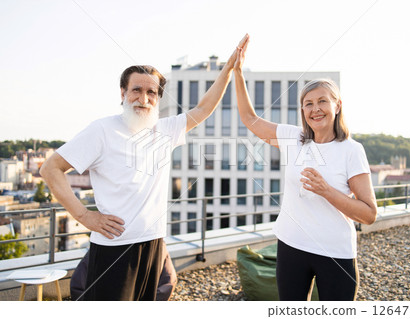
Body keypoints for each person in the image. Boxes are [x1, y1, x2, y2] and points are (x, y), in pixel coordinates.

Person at [40, 35, 250, 301]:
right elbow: (50, 168)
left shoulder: (165, 130)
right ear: (123, 93)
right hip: (113, 248)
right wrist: (84, 216)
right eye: (136, 90)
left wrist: (230, 67)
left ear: (158, 98)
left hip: (153, 243)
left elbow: (204, 107)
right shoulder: (101, 130)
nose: (143, 98)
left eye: (151, 92)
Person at [233, 38, 377, 301]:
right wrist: (238, 73)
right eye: (308, 103)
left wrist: (327, 191)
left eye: (322, 101)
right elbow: (250, 119)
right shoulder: (293, 138)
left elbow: (368, 214)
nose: (315, 109)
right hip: (291, 246)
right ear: (302, 109)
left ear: (337, 105)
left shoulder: (351, 150)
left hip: (335, 253)